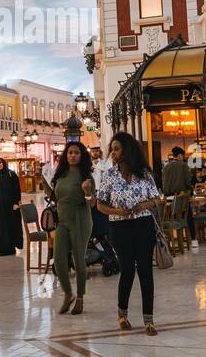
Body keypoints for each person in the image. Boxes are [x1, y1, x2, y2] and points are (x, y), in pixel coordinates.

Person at [95, 132, 162, 335]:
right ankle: (122, 314)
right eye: (112, 149)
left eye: (117, 149)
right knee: (127, 269)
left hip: (143, 225)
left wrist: (143, 205)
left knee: (145, 269)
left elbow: (157, 199)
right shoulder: (109, 176)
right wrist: (118, 211)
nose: (113, 153)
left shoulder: (144, 174)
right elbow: (100, 205)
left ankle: (149, 320)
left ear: (128, 150)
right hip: (119, 227)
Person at [44, 142, 94, 314]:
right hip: (62, 222)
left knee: (79, 260)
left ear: (82, 156)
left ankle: (80, 297)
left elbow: (92, 203)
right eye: (70, 152)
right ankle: (68, 293)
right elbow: (54, 197)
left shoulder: (86, 176)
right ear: (66, 155)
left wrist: (87, 192)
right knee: (58, 261)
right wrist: (42, 180)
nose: (73, 155)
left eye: (76, 153)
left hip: (80, 220)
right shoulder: (61, 174)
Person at [0, 158, 23, 257]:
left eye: (0, 162)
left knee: (9, 227)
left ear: (4, 163)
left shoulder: (11, 174)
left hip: (9, 207)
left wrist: (16, 202)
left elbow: (17, 189)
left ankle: (9, 249)